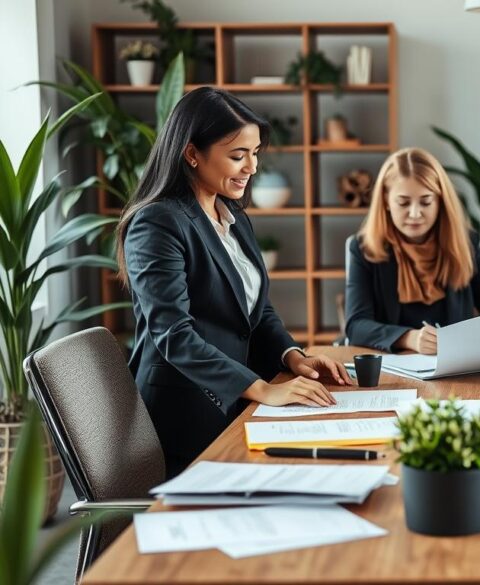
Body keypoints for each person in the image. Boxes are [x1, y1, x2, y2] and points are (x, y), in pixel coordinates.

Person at [119, 87, 353, 476]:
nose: (252, 168)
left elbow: (257, 313)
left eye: (255, 153)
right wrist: (264, 389)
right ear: (192, 154)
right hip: (186, 419)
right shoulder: (158, 223)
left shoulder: (233, 216)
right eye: (237, 155)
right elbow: (175, 336)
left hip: (236, 404)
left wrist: (293, 358)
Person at [345, 147, 480, 353]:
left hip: (455, 370)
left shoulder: (466, 243)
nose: (415, 213)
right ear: (385, 200)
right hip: (391, 373)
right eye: (403, 202)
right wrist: (408, 338)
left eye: (426, 201)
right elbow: (356, 326)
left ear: (440, 201)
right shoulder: (363, 249)